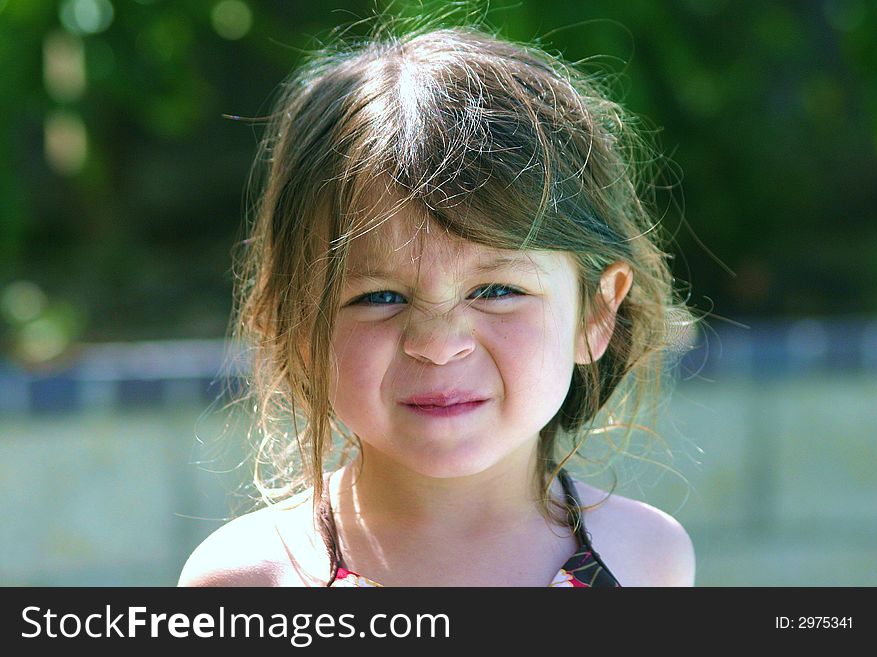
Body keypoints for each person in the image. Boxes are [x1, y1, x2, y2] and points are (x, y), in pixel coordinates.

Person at [178, 17, 696, 587]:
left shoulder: (647, 559)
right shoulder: (247, 581)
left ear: (596, 313)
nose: (438, 345)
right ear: (298, 324)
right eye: (379, 296)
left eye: (497, 291)